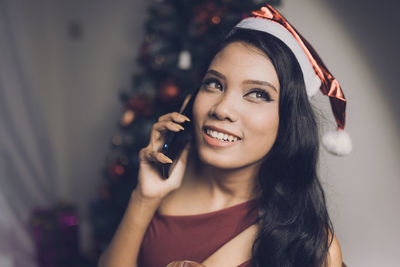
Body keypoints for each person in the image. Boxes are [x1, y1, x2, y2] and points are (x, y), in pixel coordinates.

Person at [98, 4, 350, 267]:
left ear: (288, 122)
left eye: (258, 94)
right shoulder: (164, 182)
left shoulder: (313, 247)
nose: (221, 109)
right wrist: (144, 197)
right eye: (214, 84)